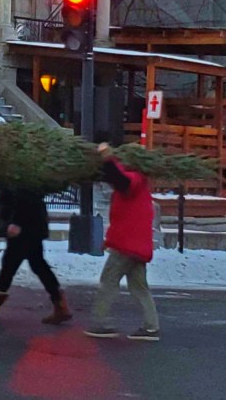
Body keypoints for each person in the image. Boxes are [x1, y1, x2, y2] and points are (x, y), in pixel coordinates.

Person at [85, 143, 160, 341]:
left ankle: (100, 323)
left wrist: (107, 157)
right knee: (139, 287)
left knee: (108, 280)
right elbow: (116, 178)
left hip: (126, 246)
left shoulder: (135, 179)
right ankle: (151, 327)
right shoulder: (141, 184)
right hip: (137, 247)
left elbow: (120, 180)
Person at [0, 185, 71, 325]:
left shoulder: (17, 178)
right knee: (36, 264)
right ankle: (60, 304)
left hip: (21, 226)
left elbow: (20, 195)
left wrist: (13, 222)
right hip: (31, 224)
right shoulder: (28, 178)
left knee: (10, 266)